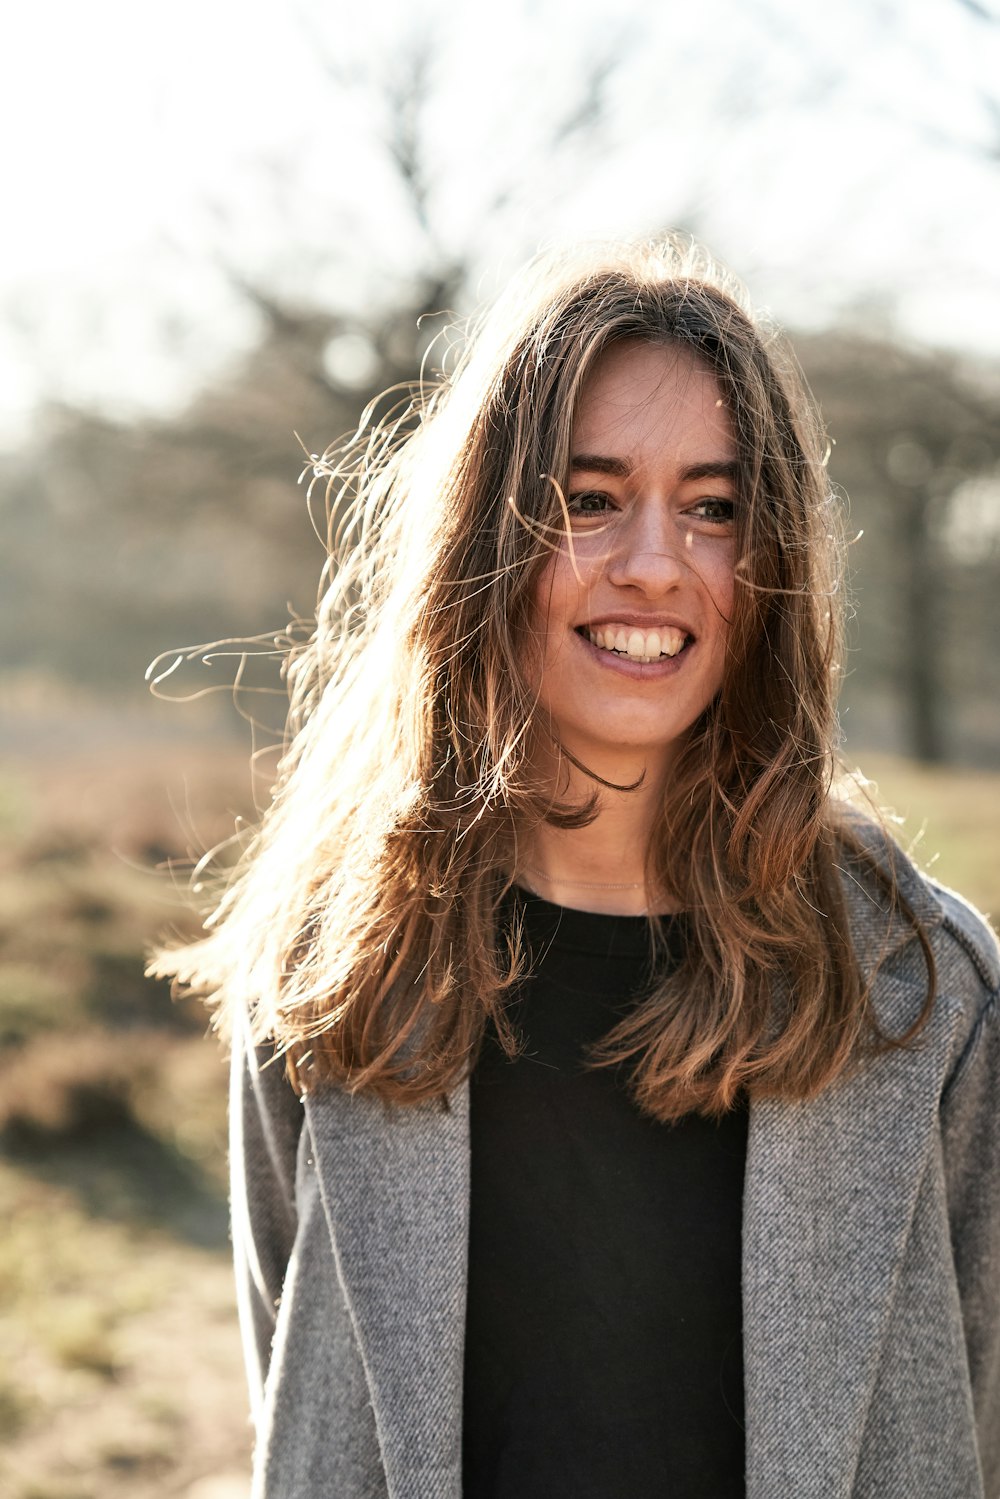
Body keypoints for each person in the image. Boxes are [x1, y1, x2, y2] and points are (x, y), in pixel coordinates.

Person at [151, 237, 1000, 1499]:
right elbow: (302, 1377)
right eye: (588, 498)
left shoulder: (921, 985)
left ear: (765, 567)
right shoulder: (334, 965)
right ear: (481, 543)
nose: (655, 561)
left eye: (712, 507)